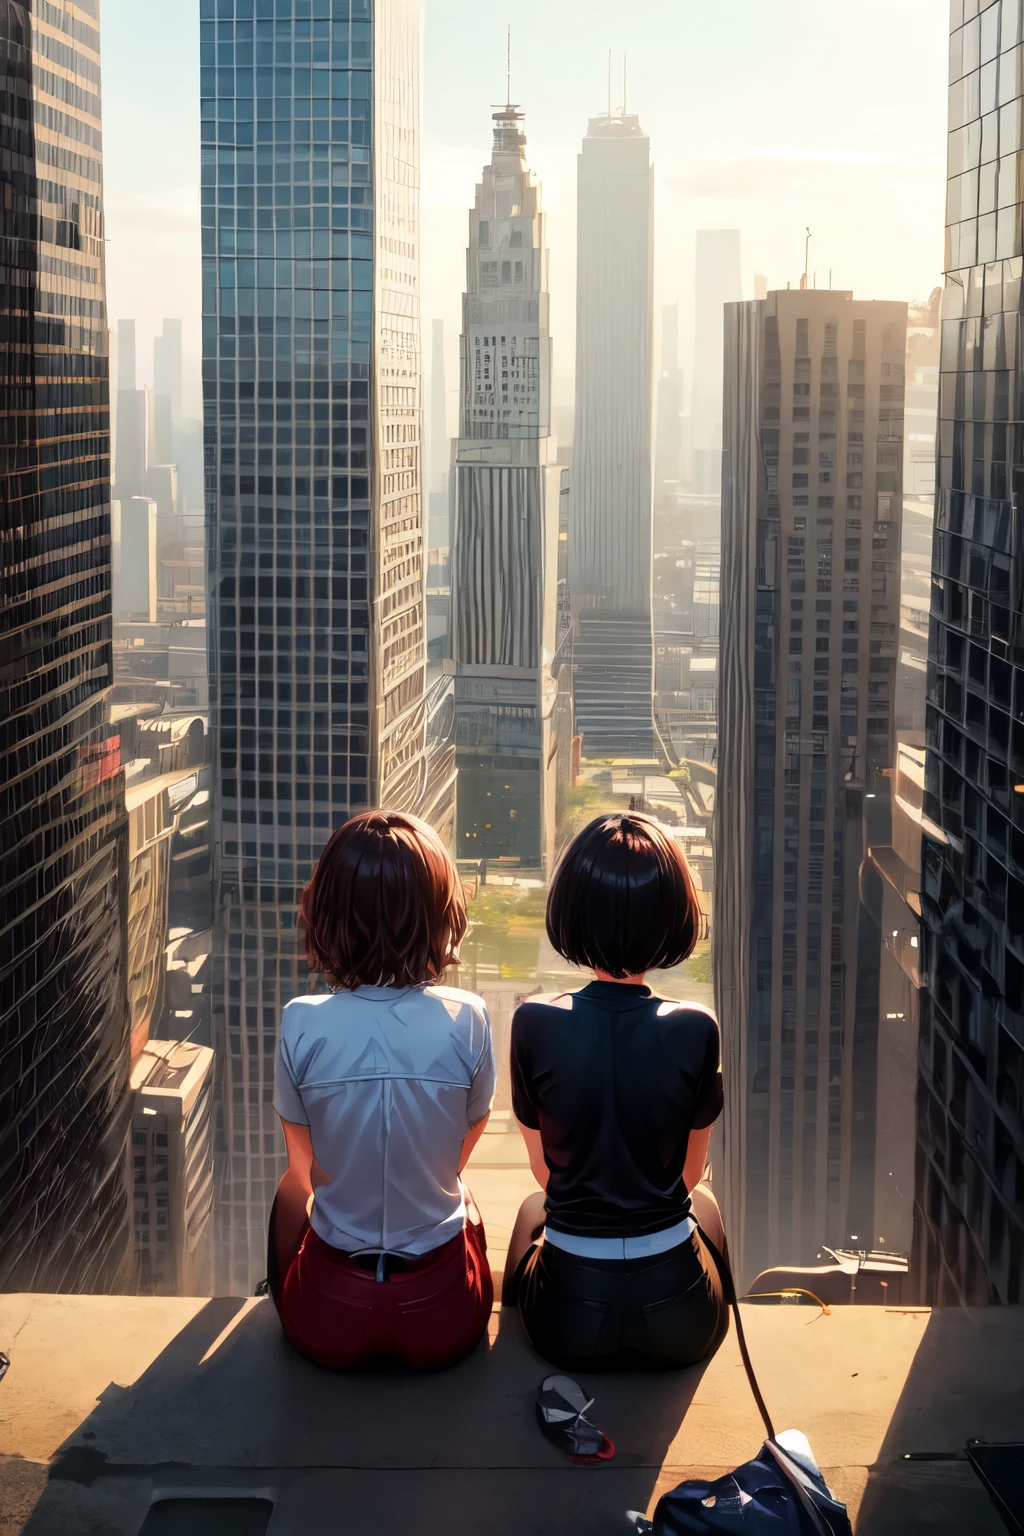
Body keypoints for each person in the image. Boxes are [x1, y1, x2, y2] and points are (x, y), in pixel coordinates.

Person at [268, 809, 496, 1371]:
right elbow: (463, 1146)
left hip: (327, 1320)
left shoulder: (301, 1021)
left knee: (286, 1194)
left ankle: (280, 1301)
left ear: (328, 914)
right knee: (461, 1195)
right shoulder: (468, 1018)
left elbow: (306, 1171)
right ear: (441, 915)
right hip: (444, 1317)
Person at [503, 812, 729, 1372]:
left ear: (571, 910)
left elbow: (547, 1177)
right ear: (675, 916)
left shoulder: (533, 1023)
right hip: (682, 1320)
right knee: (708, 1211)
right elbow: (689, 1178)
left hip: (567, 1320)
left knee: (534, 1210)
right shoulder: (697, 1027)